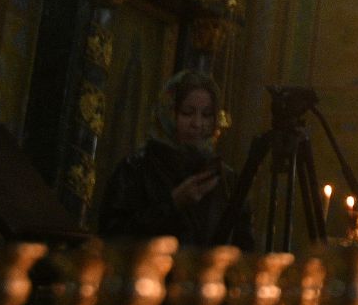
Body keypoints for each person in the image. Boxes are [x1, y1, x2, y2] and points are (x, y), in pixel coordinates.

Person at [97, 70, 256, 249]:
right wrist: (173, 204)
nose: (197, 123)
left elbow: (243, 248)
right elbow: (112, 237)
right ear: (170, 113)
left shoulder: (227, 180)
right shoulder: (136, 169)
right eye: (187, 113)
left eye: (207, 115)